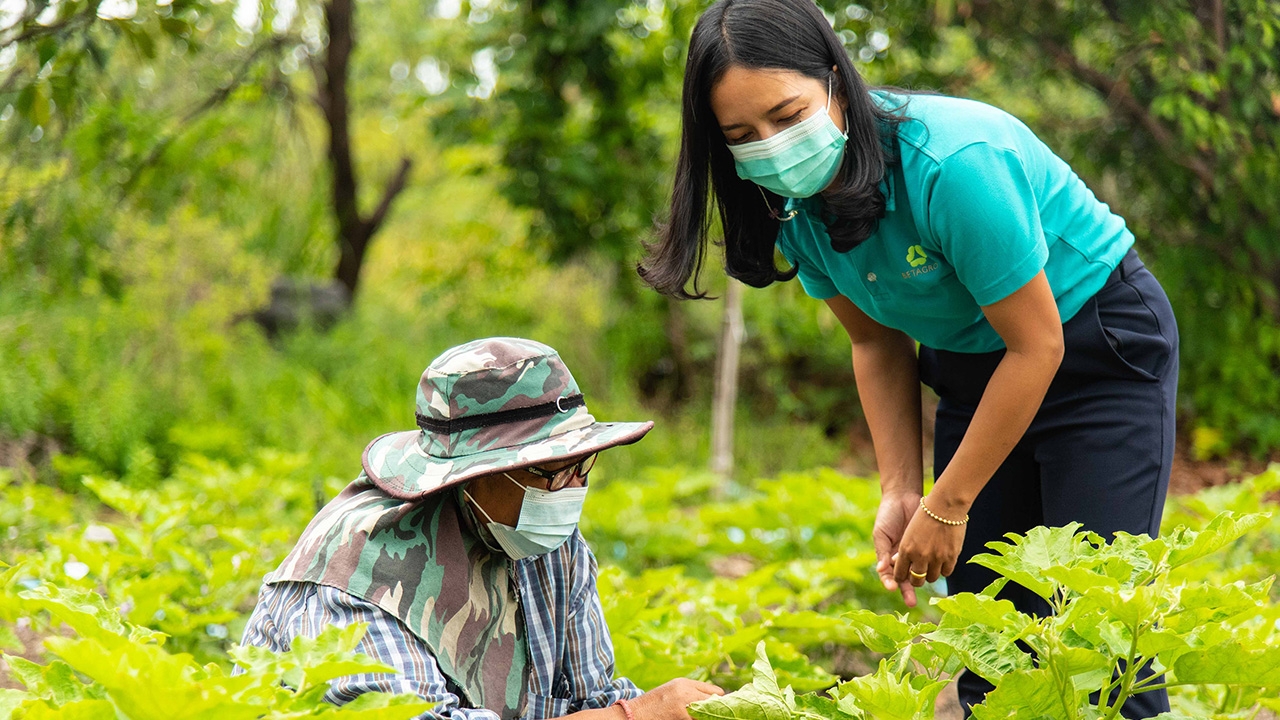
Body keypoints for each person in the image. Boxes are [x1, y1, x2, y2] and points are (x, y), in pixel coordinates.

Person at [639, 1, 1178, 717]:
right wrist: (902, 489)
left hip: (1092, 349)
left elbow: (1036, 343)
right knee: (993, 638)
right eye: (741, 135)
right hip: (972, 365)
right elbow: (875, 341)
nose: (771, 145)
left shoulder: (954, 162)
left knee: (1099, 634)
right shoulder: (791, 206)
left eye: (786, 113)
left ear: (835, 79)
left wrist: (949, 504)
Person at [237, 337, 724, 720]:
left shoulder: (546, 541)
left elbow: (587, 697)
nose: (574, 487)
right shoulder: (361, 576)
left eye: (583, 462)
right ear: (474, 475)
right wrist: (634, 716)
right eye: (551, 470)